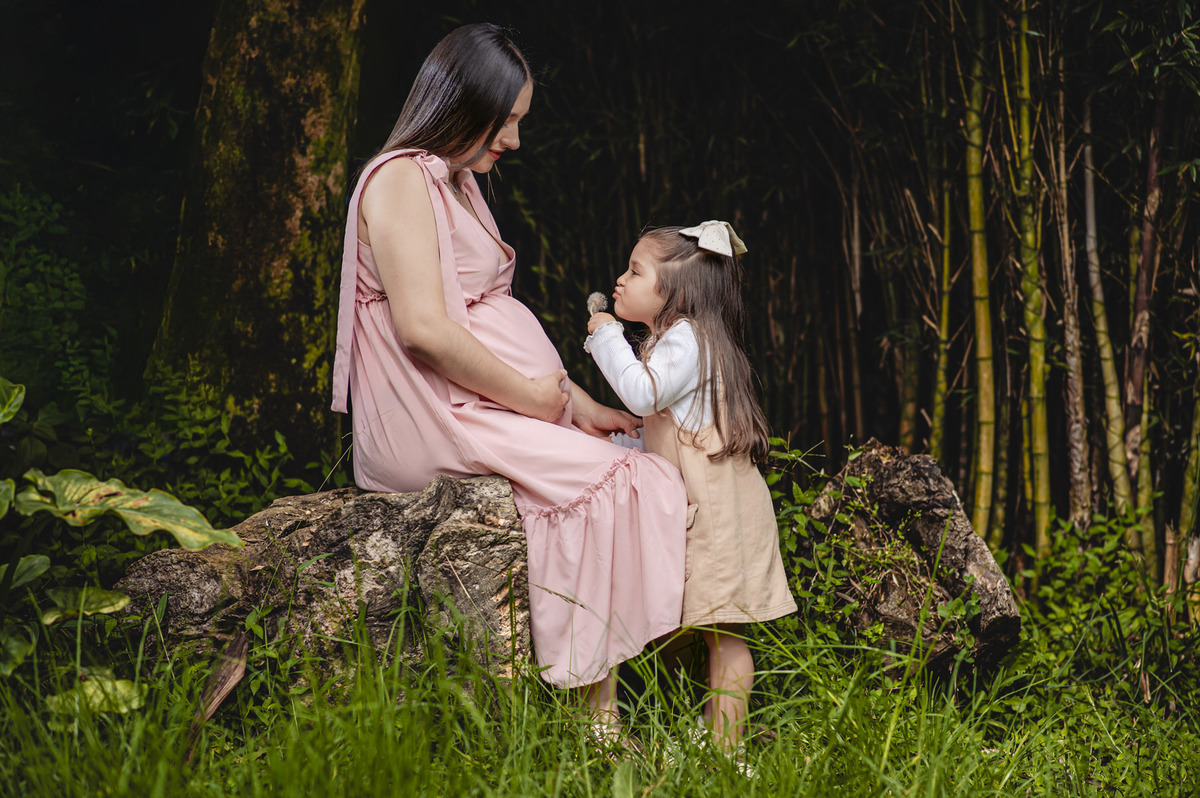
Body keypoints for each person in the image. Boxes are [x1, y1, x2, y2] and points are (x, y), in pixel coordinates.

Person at [329, 24, 688, 726]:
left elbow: (487, 316)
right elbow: (425, 331)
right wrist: (529, 396)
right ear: (461, 105)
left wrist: (574, 402)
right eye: (507, 121)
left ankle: (630, 702)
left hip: (480, 402)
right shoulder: (402, 178)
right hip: (428, 414)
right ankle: (596, 722)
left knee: (635, 459)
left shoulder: (457, 180)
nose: (514, 141)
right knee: (617, 482)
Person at [584, 221, 798, 751]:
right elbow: (668, 439)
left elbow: (639, 394)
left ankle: (728, 749)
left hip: (722, 513)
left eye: (635, 271)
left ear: (674, 291)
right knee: (712, 633)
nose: (620, 280)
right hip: (711, 507)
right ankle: (712, 733)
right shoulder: (682, 340)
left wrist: (606, 333)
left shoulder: (687, 341)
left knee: (725, 636)